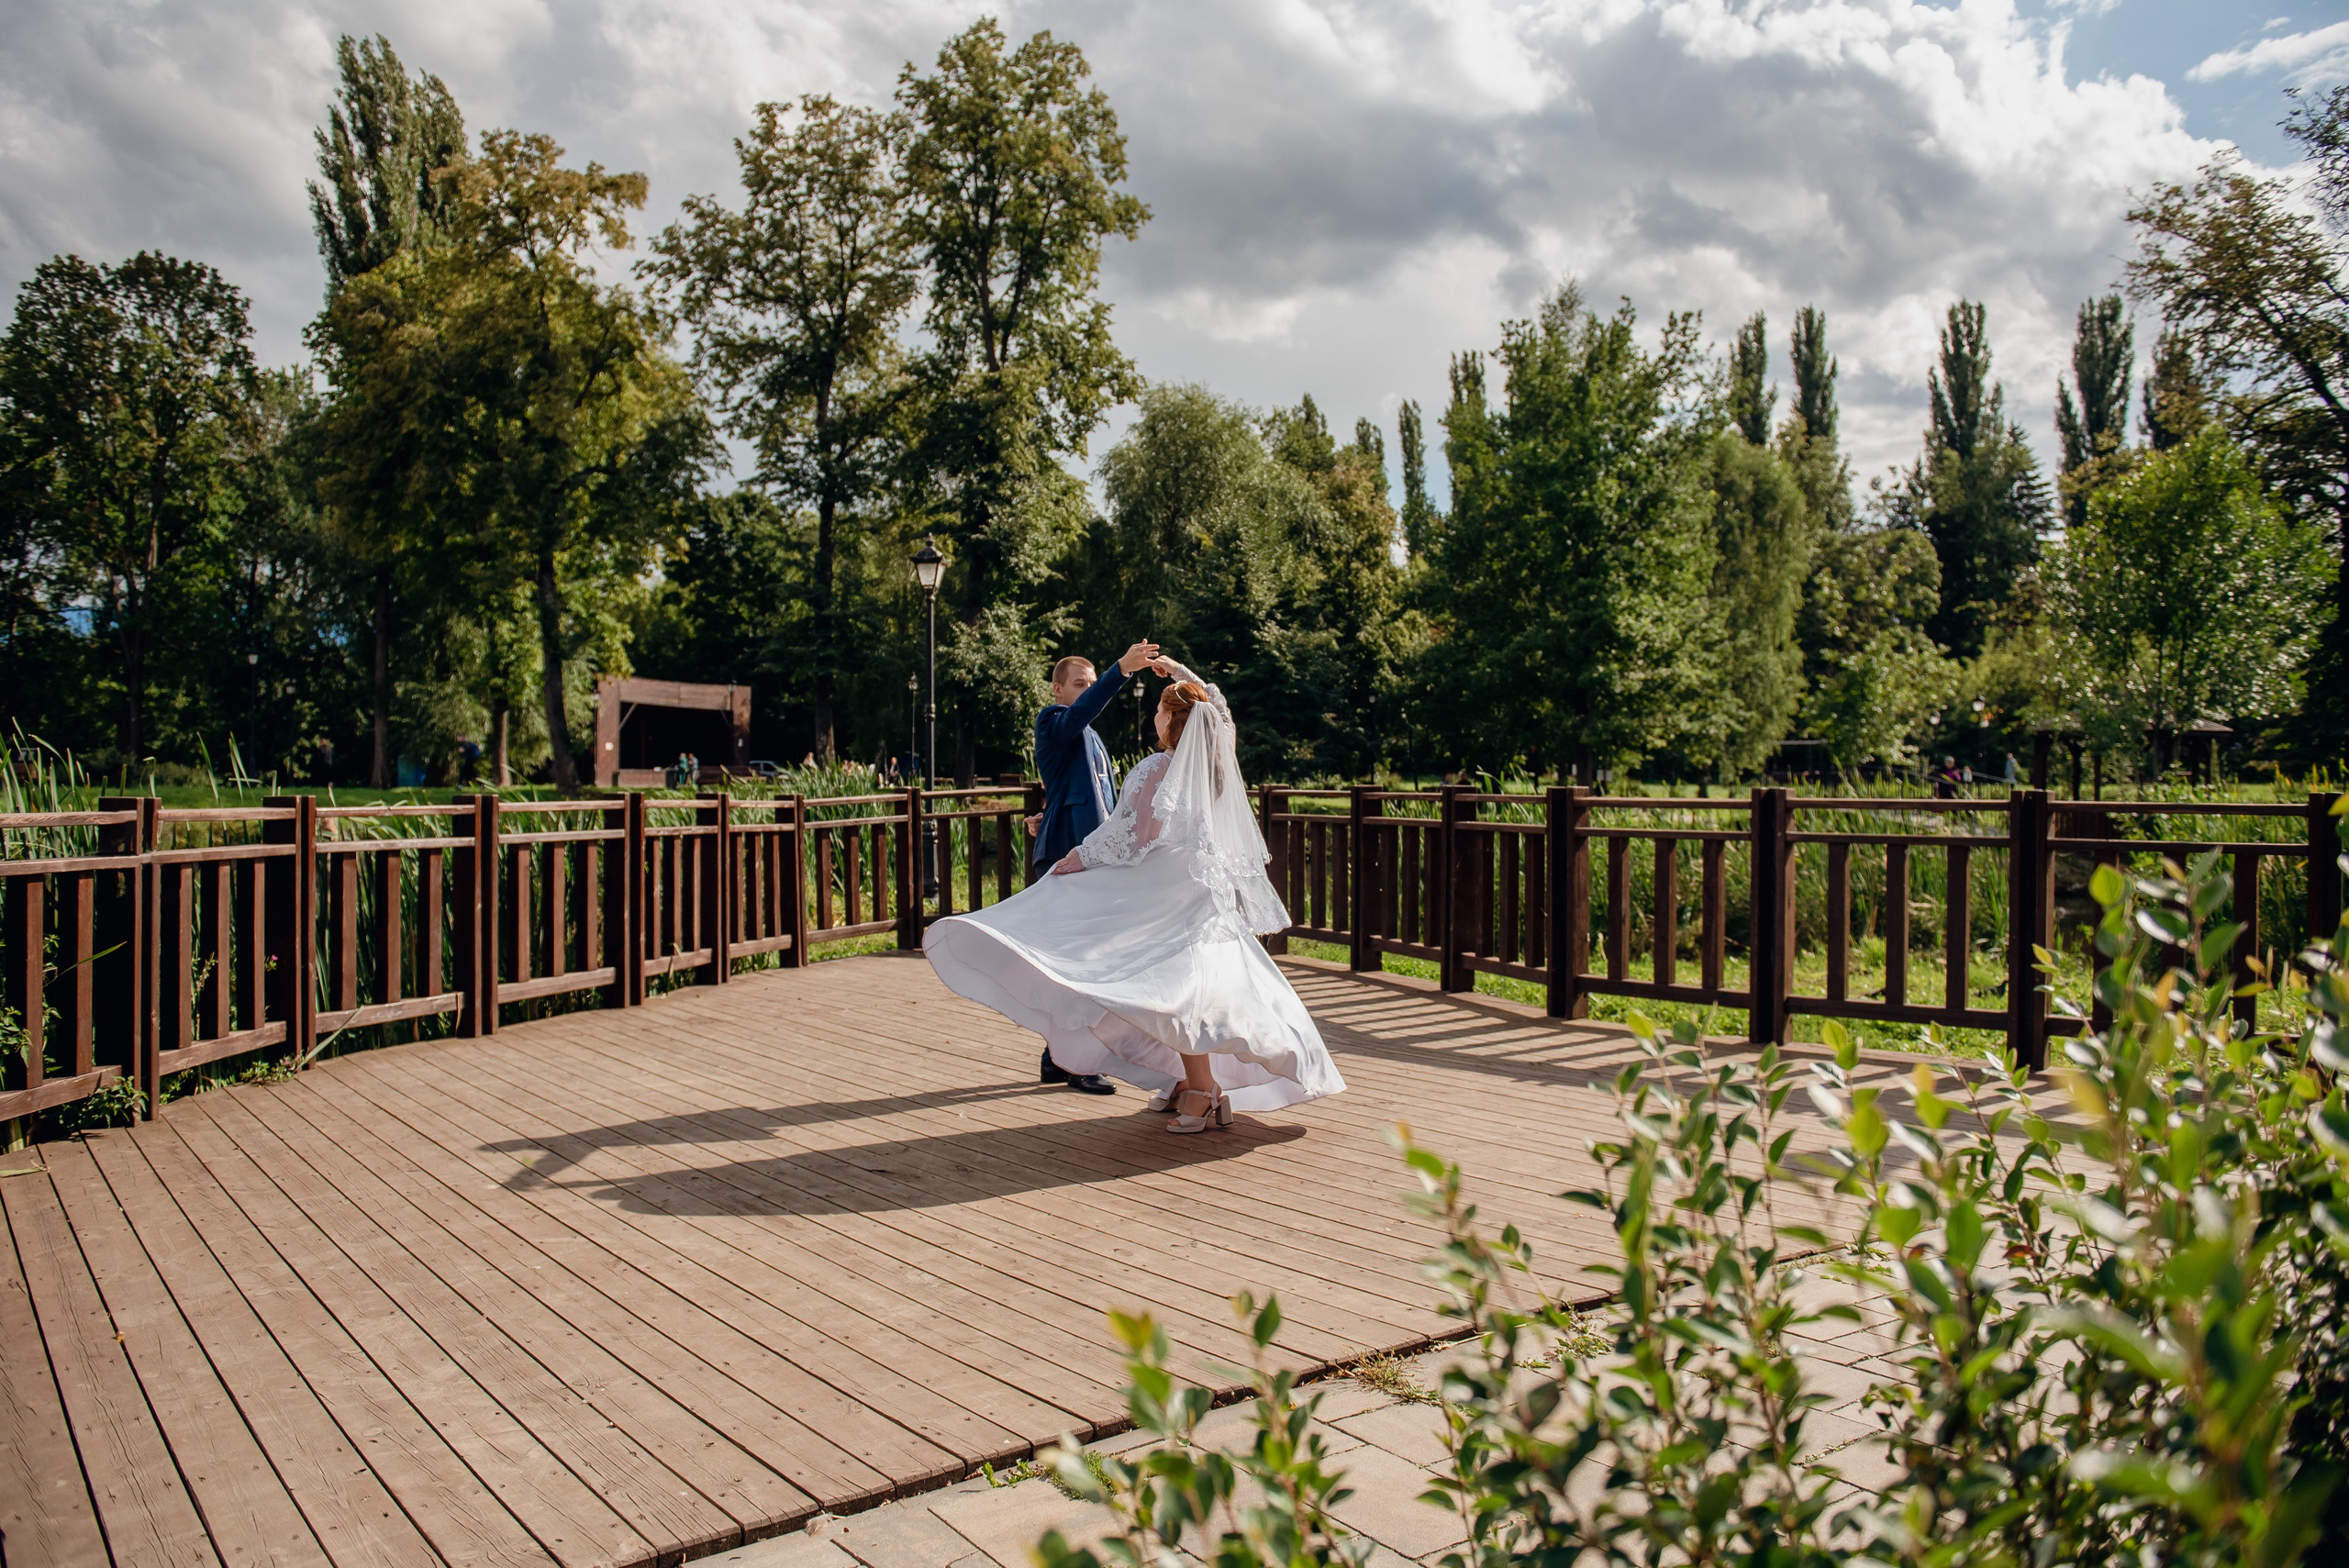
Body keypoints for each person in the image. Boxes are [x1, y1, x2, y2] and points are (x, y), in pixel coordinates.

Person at [925, 657, 1345, 1133]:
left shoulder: (1155, 768)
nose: (1155, 718)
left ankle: (1202, 1090)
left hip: (1161, 894)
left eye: (1161, 712)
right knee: (1185, 989)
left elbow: (1132, 835)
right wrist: (1180, 671)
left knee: (1171, 992)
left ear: (1168, 719)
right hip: (1200, 889)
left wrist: (1076, 859)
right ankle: (1186, 1082)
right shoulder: (1216, 759)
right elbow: (1220, 708)